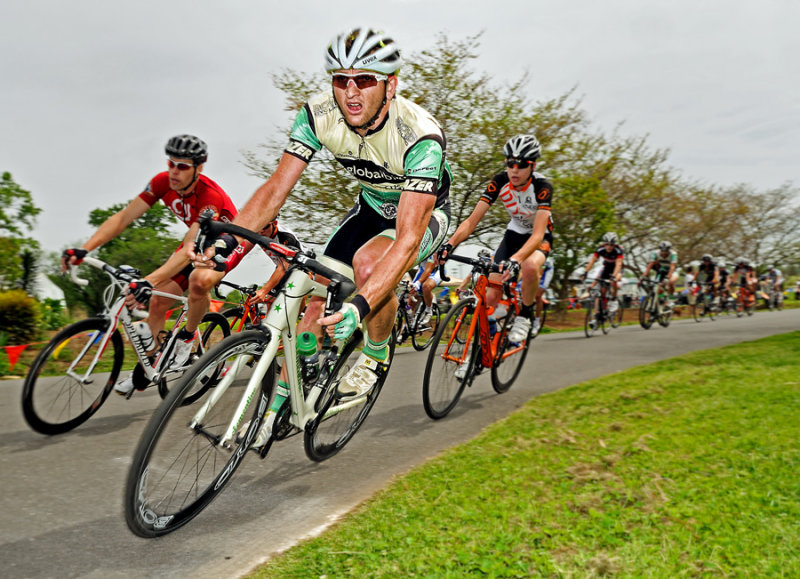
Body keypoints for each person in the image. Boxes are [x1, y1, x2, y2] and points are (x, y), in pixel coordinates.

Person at [198, 26, 452, 432]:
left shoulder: (420, 136)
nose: (351, 93)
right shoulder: (318, 115)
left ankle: (374, 352)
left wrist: (359, 305)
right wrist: (230, 235)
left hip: (422, 215)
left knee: (370, 266)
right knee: (312, 286)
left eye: (365, 80)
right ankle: (285, 398)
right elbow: (275, 189)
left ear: (390, 86)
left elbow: (406, 241)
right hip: (370, 208)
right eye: (340, 80)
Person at [62, 134, 238, 395]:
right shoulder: (161, 183)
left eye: (182, 166)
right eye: (171, 163)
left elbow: (191, 246)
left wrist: (149, 280)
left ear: (198, 169)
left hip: (225, 241)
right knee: (156, 302)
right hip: (195, 240)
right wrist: (85, 248)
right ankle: (150, 365)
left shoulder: (209, 197)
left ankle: (187, 339)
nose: (174, 172)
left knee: (197, 283)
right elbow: (124, 217)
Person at [439, 134, 554, 344]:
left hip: (538, 238)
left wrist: (516, 259)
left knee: (529, 266)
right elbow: (472, 221)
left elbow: (537, 234)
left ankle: (525, 316)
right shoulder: (500, 181)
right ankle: (479, 353)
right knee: (490, 294)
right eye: (510, 163)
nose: (514, 170)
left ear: (533, 165)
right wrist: (450, 244)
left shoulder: (542, 187)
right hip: (513, 235)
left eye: (521, 164)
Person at [581, 232, 624, 313]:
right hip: (607, 267)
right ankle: (602, 309)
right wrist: (585, 272)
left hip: (618, 269)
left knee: (613, 281)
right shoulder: (600, 249)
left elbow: (618, 265)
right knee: (603, 290)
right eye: (607, 244)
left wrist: (613, 276)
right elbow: (592, 261)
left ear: (615, 245)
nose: (609, 247)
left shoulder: (618, 251)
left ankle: (614, 299)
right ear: (604, 244)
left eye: (611, 244)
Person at [409, 256, 441, 327]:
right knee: (410, 300)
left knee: (426, 286)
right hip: (422, 270)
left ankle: (428, 311)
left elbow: (429, 268)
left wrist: (419, 282)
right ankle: (408, 326)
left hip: (436, 271)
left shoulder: (432, 247)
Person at [533, 256, 554, 336]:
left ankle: (536, 322)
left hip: (545, 270)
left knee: (538, 295)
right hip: (531, 267)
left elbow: (540, 272)